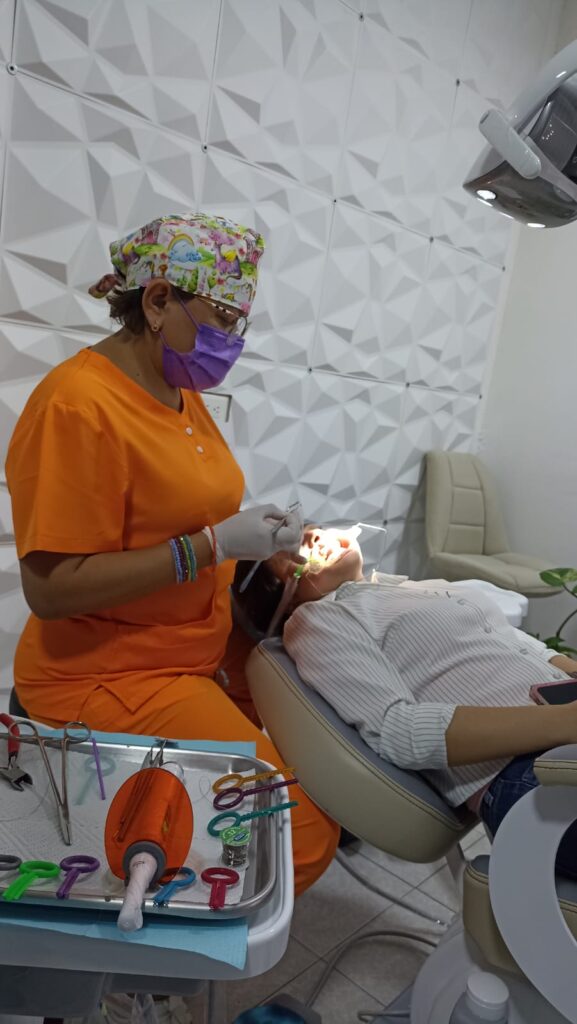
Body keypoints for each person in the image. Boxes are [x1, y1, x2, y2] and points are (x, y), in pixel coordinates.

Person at [5, 213, 339, 899]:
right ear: (158, 300)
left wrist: (257, 554)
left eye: (239, 324)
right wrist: (212, 547)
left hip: (193, 647)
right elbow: (53, 590)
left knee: (320, 755)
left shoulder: (178, 391)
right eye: (223, 319)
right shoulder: (78, 405)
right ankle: (150, 946)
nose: (232, 343)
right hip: (110, 674)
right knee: (296, 835)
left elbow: (179, 513)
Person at [233, 526, 577, 877]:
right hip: (528, 769)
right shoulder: (319, 618)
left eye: (311, 530)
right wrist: (564, 722)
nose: (315, 538)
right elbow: (398, 731)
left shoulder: (416, 587)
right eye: (291, 554)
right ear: (285, 598)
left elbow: (529, 647)